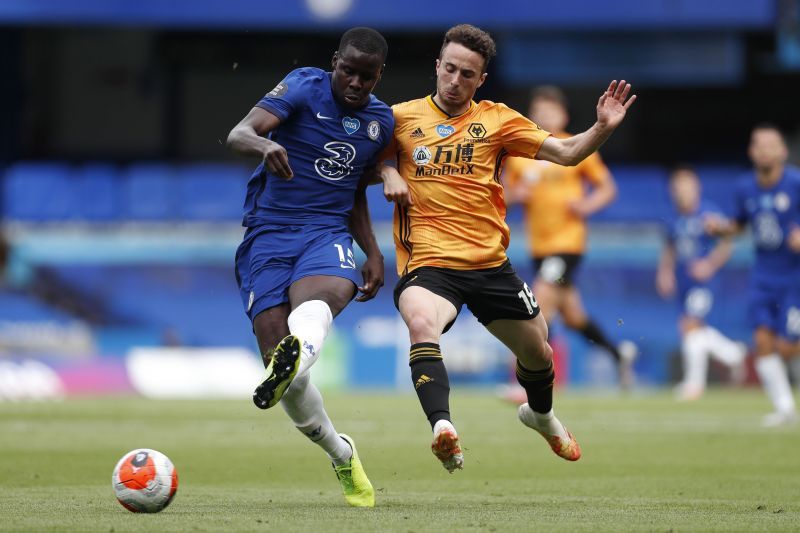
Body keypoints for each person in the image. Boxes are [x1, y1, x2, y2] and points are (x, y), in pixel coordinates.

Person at [378, 24, 635, 472]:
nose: (455, 81)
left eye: (467, 74)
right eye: (450, 69)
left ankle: (541, 414)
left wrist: (601, 127)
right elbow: (365, 151)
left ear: (481, 81)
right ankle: (443, 429)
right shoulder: (399, 118)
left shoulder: (497, 120)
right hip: (430, 263)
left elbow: (569, 153)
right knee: (421, 321)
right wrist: (388, 172)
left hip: (491, 265)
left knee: (539, 352)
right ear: (437, 66)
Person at [226, 27, 394, 505]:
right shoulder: (303, 85)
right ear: (334, 61)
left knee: (322, 297)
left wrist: (374, 252)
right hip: (268, 236)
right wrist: (266, 146)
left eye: (367, 76)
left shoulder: (380, 123)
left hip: (326, 233)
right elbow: (240, 132)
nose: (356, 83)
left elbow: (356, 189)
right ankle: (341, 451)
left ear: (379, 75)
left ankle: (297, 350)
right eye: (348, 71)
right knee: (288, 376)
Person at [502, 86, 636, 392]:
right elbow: (502, 195)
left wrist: (586, 206)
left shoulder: (577, 146)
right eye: (540, 110)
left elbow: (607, 188)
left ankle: (527, 382)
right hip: (540, 246)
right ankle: (620, 356)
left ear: (563, 115)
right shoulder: (522, 153)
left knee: (538, 304)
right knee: (574, 317)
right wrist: (515, 195)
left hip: (568, 244)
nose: (545, 115)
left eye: (551, 110)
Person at [706, 124, 800, 426]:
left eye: (770, 145)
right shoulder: (745, 187)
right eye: (758, 145)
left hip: (795, 277)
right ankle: (785, 408)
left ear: (782, 151)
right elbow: (740, 223)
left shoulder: (796, 184)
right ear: (751, 151)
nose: (764, 150)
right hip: (763, 276)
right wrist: (722, 228)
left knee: (789, 345)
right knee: (762, 343)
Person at [656, 166, 746, 400]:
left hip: (704, 283)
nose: (681, 192)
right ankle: (734, 354)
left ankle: (694, 384)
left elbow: (727, 243)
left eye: (685, 186)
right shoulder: (674, 217)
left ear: (696, 188)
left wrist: (709, 264)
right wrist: (664, 273)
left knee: (690, 325)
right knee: (693, 330)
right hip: (684, 281)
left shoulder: (708, 214)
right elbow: (669, 248)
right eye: (676, 188)